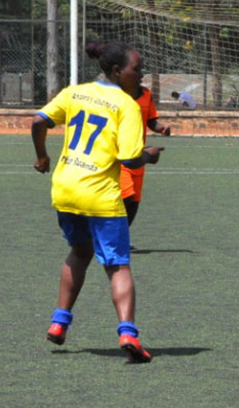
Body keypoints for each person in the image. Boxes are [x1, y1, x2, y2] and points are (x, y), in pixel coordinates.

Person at [32, 41, 165, 363]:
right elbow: (130, 159)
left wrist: (42, 156)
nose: (142, 73)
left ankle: (58, 323)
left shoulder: (74, 92)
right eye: (137, 68)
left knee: (79, 252)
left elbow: (38, 121)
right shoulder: (126, 105)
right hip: (100, 195)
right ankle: (128, 332)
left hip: (65, 189)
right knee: (117, 263)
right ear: (118, 71)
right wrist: (149, 156)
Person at [121, 84, 171, 238]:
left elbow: (151, 120)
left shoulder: (146, 94)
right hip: (118, 155)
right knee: (126, 195)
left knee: (134, 201)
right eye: (136, 69)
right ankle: (109, 237)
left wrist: (161, 128)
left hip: (138, 154)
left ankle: (121, 237)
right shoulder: (114, 94)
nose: (141, 74)